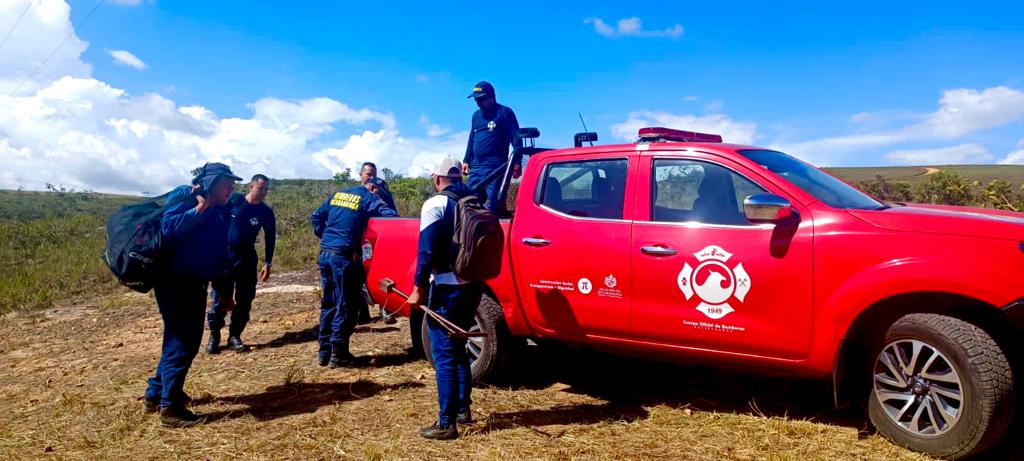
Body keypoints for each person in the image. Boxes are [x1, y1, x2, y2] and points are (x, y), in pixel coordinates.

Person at [143, 162, 241, 427]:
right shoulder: (186, 197)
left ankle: (156, 394)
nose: (231, 189)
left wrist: (224, 293)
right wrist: (198, 210)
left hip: (195, 284)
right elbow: (167, 228)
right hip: (174, 283)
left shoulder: (220, 212)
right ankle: (171, 408)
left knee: (179, 339)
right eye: (226, 184)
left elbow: (219, 256)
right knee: (182, 341)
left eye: (232, 185)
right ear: (211, 183)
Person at [407, 156, 483, 440]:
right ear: (460, 177)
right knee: (459, 346)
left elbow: (425, 251)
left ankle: (446, 423)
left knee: (445, 355)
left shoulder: (436, 204)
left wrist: (418, 288)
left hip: (447, 288)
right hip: (474, 286)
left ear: (437, 178)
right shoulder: (476, 200)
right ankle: (463, 410)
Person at [310, 176, 398, 368]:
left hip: (326, 254)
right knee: (346, 305)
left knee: (329, 303)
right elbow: (392, 217)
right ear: (374, 188)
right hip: (344, 258)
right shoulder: (369, 198)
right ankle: (338, 354)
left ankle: (324, 353)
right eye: (380, 194)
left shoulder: (338, 194)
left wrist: (327, 237)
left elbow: (315, 217)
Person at [206, 174, 276, 354]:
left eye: (266, 189)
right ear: (250, 187)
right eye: (260, 188)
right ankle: (214, 334)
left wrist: (267, 262)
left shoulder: (266, 212)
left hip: (247, 258)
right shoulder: (234, 201)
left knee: (245, 299)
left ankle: (235, 335)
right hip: (226, 256)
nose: (264, 192)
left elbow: (270, 237)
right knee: (221, 297)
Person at [463, 81, 523, 213]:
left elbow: (516, 138)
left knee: (493, 205)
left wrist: (517, 162)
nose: (477, 102)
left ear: (491, 97)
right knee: (469, 204)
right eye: (476, 99)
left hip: (496, 166)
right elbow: (472, 138)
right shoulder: (476, 116)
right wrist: (466, 159)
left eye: (480, 99)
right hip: (476, 167)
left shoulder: (504, 113)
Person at [355, 162, 397, 325]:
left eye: (374, 174)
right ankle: (362, 313)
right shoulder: (355, 194)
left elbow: (393, 216)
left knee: (383, 273)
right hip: (360, 239)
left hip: (379, 240)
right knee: (358, 274)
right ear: (360, 175)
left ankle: (386, 308)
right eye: (368, 174)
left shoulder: (383, 193)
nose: (371, 177)